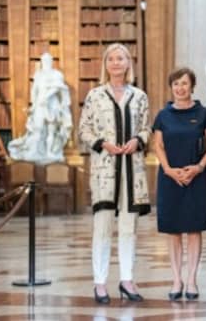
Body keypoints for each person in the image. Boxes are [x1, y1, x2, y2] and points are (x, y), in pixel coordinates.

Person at [78, 43, 151, 304]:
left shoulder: (140, 96)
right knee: (102, 228)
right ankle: (100, 283)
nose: (117, 63)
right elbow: (83, 130)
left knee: (129, 228)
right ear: (105, 64)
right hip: (105, 172)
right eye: (112, 59)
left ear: (128, 64)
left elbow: (146, 128)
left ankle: (127, 280)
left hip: (132, 173)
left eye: (121, 58)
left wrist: (137, 141)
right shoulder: (95, 96)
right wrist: (103, 144)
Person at [152, 68, 206, 301]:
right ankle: (176, 279)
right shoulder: (163, 115)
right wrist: (169, 170)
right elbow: (158, 145)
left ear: (192, 86)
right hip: (170, 178)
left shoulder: (203, 113)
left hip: (196, 176)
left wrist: (199, 167)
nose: (180, 88)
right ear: (172, 87)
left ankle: (191, 279)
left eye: (184, 84)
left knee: (193, 228)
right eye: (176, 84)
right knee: (173, 229)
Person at [8, 52, 72, 163]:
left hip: (52, 105)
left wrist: (46, 97)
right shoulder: (38, 74)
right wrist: (33, 105)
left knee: (51, 130)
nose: (46, 62)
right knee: (38, 128)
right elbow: (34, 90)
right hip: (39, 105)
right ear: (42, 62)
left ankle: (50, 153)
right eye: (44, 60)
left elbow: (58, 88)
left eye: (48, 60)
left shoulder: (57, 74)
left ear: (52, 61)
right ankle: (35, 151)